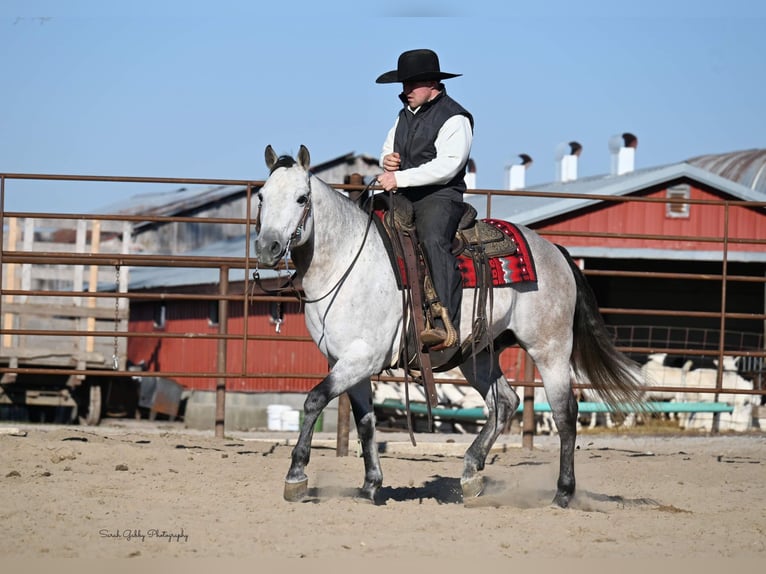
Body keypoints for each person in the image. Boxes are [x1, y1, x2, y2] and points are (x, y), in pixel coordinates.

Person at [376, 48, 474, 349]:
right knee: (364, 219)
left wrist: (399, 177)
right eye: (403, 85)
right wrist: (388, 160)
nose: (405, 92)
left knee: (433, 239)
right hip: (404, 192)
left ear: (432, 83)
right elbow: (387, 148)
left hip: (441, 196)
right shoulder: (404, 115)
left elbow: (449, 167)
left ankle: (445, 323)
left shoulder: (455, 118)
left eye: (411, 85)